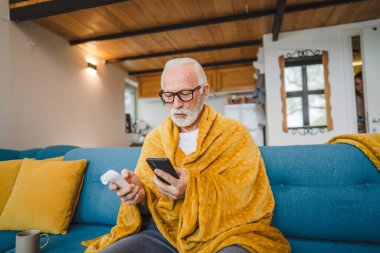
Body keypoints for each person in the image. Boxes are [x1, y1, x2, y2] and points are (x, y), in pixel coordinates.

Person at [83, 58, 290, 253]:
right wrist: (140, 194)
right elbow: (150, 210)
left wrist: (190, 189)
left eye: (184, 94)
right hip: (164, 231)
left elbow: (247, 194)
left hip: (226, 233)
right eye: (169, 95)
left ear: (204, 91)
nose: (176, 104)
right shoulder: (155, 138)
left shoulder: (234, 133)